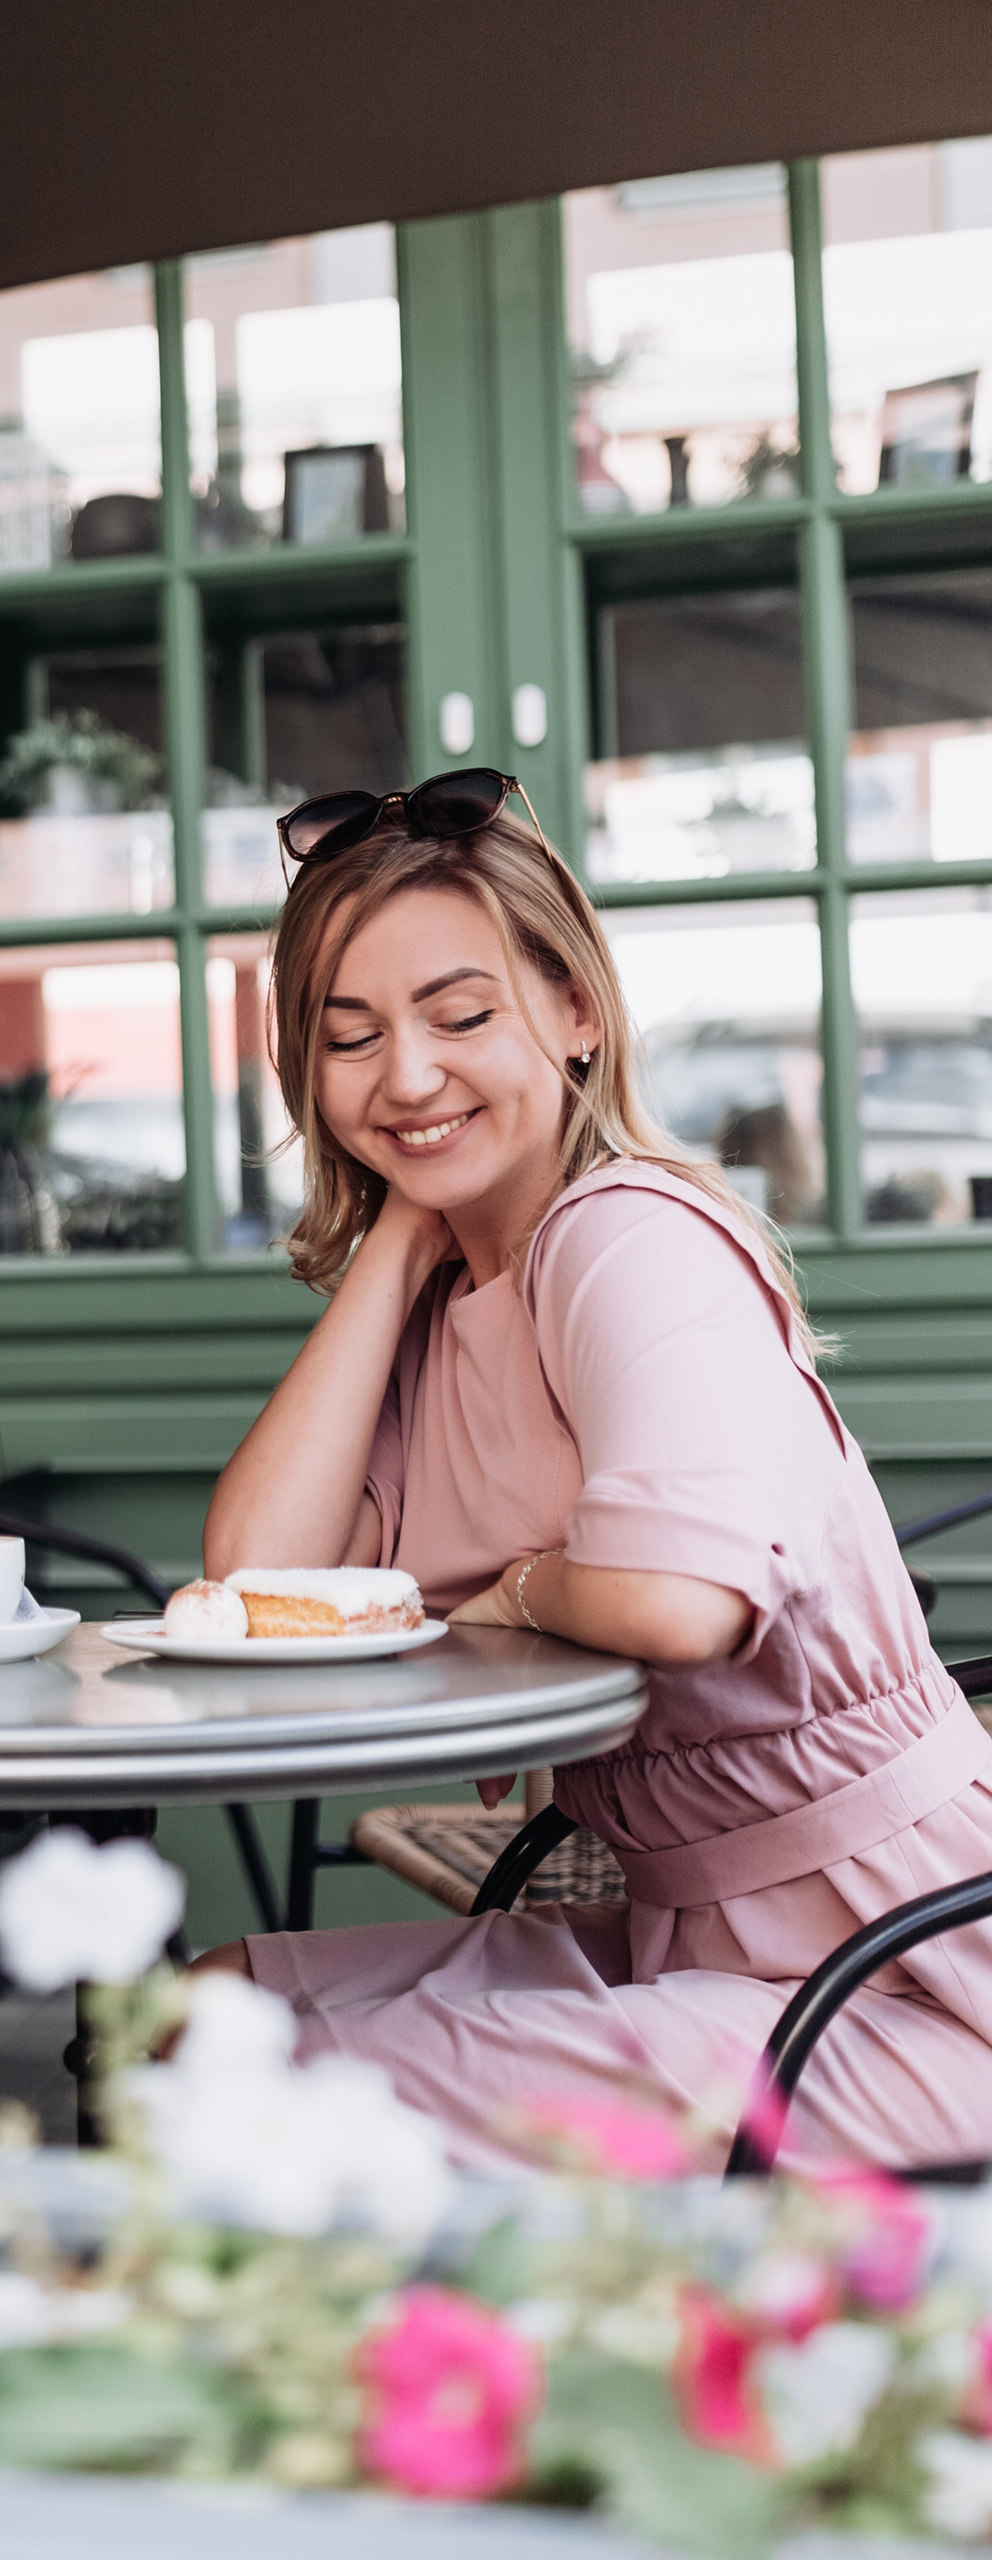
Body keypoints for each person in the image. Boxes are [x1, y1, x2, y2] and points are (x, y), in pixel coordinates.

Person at [194, 769, 992, 2169]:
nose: (410, 1074)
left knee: (255, 2086)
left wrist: (515, 1591)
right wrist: (397, 1236)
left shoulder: (629, 1238)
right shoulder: (444, 1308)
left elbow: (680, 1603)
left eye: (459, 1015)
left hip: (905, 1976)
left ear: (574, 1011)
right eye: (352, 1036)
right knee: (203, 2012)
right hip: (705, 1943)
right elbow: (256, 1584)